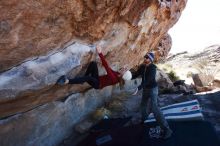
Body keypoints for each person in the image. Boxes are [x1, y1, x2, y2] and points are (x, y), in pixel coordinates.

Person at [131, 52, 173, 139]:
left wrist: (138, 88)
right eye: (145, 57)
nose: (145, 58)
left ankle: (167, 129)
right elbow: (135, 75)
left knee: (154, 108)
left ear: (150, 59)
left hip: (153, 89)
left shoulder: (153, 68)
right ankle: (145, 119)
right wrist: (126, 74)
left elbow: (149, 80)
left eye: (147, 57)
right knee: (143, 105)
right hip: (146, 89)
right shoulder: (142, 67)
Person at [56, 45, 132, 89]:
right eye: (125, 69)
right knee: (93, 64)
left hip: (97, 85)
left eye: (125, 70)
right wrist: (124, 68)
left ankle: (67, 81)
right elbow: (110, 69)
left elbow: (107, 68)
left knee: (89, 78)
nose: (124, 69)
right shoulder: (118, 75)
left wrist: (100, 53)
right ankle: (82, 80)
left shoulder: (114, 78)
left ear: (123, 75)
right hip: (97, 79)